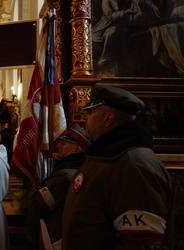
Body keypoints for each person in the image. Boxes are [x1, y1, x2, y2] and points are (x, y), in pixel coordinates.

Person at [62, 85, 174, 249]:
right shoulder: (108, 157)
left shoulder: (134, 166)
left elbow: (140, 244)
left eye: (90, 112)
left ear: (108, 119)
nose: (84, 116)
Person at [26, 124, 91, 250]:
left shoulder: (65, 175)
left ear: (77, 150)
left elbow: (39, 204)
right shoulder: (72, 168)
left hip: (55, 236)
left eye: (65, 143)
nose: (58, 146)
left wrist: (35, 190)